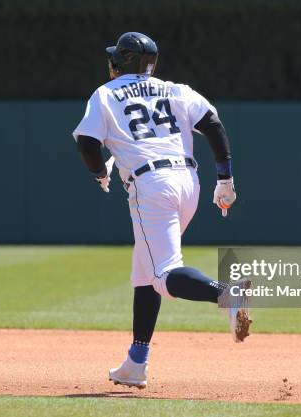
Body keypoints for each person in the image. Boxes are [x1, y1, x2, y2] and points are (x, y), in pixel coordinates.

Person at [72, 32, 251, 390]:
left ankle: (226, 293)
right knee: (145, 270)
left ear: (121, 62)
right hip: (189, 182)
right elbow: (212, 125)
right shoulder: (175, 89)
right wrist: (226, 180)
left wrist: (99, 172)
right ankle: (136, 362)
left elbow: (87, 142)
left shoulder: (106, 94)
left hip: (151, 186)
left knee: (162, 273)